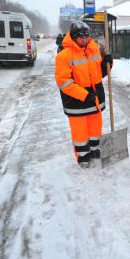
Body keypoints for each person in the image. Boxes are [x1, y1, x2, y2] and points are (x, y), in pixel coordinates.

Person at [55, 21, 113, 168]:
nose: (84, 39)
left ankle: (95, 151)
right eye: (80, 36)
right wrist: (84, 95)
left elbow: (99, 74)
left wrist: (107, 64)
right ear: (73, 37)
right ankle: (83, 156)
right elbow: (64, 82)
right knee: (80, 132)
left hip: (94, 100)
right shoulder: (64, 56)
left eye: (86, 36)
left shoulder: (94, 50)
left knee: (95, 129)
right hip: (77, 103)